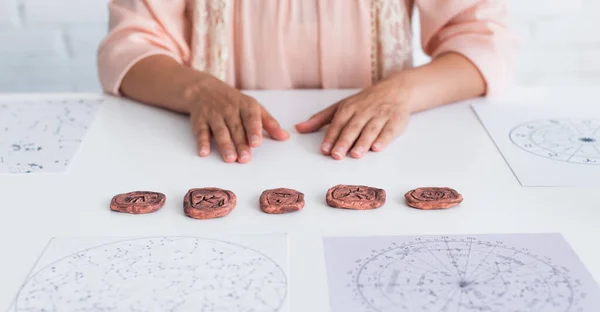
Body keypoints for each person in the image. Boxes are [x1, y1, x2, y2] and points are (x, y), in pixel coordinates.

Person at [98, 0, 515, 163]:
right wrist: (198, 91)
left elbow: (483, 42)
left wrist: (401, 94)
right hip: (227, 159)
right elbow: (129, 48)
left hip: (372, 159)